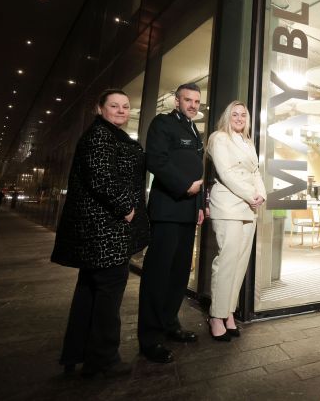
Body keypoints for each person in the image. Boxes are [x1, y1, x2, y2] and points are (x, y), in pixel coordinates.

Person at [51, 89, 150, 378]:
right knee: (108, 292)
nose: (121, 110)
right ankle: (103, 359)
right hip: (106, 231)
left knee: (89, 291)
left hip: (100, 231)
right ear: (100, 108)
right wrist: (126, 208)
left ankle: (76, 353)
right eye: (114, 105)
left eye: (125, 106)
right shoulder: (100, 136)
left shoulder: (109, 135)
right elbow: (101, 175)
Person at [137, 83, 205, 364]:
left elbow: (199, 171)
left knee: (178, 273)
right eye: (187, 100)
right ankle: (149, 338)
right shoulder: (162, 124)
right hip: (167, 210)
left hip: (189, 212)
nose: (192, 105)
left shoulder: (194, 130)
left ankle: (169, 323)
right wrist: (185, 187)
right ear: (176, 101)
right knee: (158, 274)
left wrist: (200, 205)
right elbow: (156, 161)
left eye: (196, 101)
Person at [206, 101, 266, 341]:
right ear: (227, 116)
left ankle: (228, 312)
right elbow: (226, 173)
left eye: (243, 114)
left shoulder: (248, 141)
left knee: (240, 263)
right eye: (235, 114)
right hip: (228, 205)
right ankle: (215, 315)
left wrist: (260, 195)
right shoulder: (219, 138)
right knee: (227, 261)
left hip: (249, 207)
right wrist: (251, 196)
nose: (240, 118)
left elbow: (256, 172)